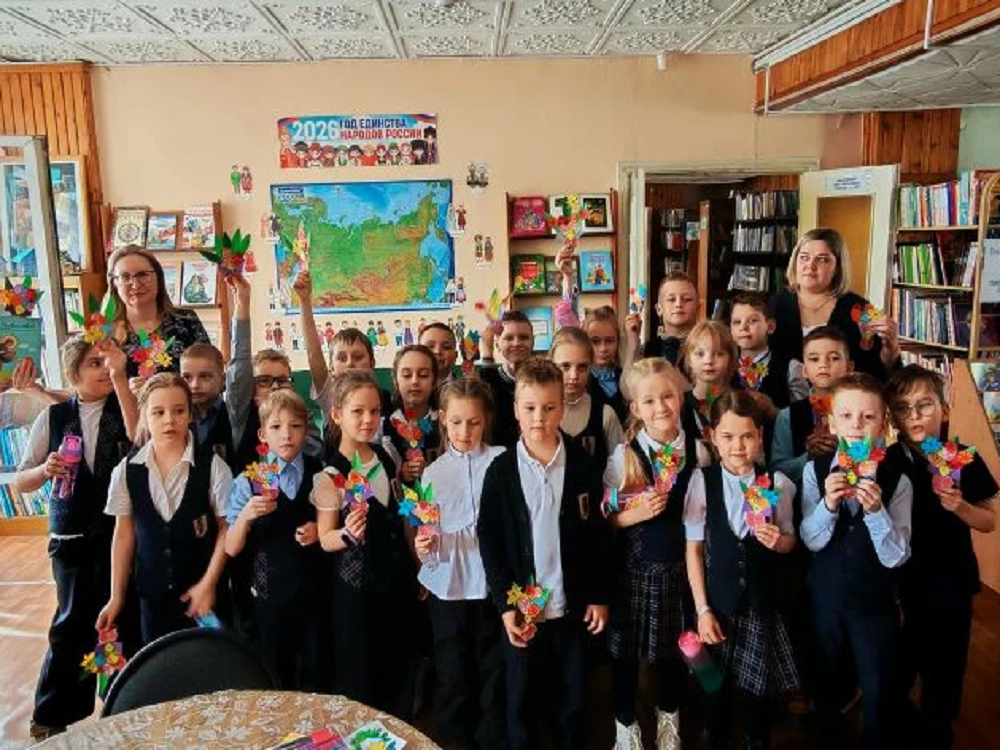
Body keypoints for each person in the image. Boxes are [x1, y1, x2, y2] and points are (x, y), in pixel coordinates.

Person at [477, 358, 611, 750]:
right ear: (515, 409)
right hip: (523, 608)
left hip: (571, 608)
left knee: (572, 696)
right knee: (521, 697)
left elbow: (599, 535)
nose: (539, 417)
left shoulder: (583, 464)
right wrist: (506, 605)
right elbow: (490, 541)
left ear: (562, 408)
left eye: (549, 407)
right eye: (530, 407)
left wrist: (599, 594)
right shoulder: (501, 471)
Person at [14, 337, 137, 741]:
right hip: (71, 536)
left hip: (120, 533)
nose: (103, 369)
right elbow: (21, 481)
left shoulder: (126, 405)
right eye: (93, 364)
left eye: (107, 361)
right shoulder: (53, 417)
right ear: (73, 373)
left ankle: (123, 706)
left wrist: (121, 377)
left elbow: (139, 437)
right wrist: (44, 470)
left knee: (123, 621)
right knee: (71, 623)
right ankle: (51, 713)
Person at [887, 366, 998, 749]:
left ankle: (938, 727)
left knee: (947, 664)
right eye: (904, 408)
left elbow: (989, 521)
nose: (915, 415)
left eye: (924, 405)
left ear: (945, 409)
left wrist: (961, 507)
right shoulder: (887, 460)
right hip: (904, 581)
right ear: (894, 417)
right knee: (902, 659)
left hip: (952, 580)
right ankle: (901, 717)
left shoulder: (965, 458)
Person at [800, 373, 912, 749]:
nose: (857, 425)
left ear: (884, 424)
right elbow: (810, 540)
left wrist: (877, 511)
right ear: (832, 422)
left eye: (868, 417)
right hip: (826, 600)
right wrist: (828, 504)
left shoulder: (899, 481)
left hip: (874, 603)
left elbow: (897, 557)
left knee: (878, 685)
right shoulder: (815, 470)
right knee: (825, 680)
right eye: (847, 416)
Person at [603, 358, 709, 750]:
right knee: (626, 657)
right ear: (635, 408)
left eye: (668, 396)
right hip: (634, 572)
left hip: (680, 571)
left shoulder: (699, 453)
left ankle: (669, 721)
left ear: (680, 397)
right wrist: (635, 513)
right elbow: (606, 515)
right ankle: (625, 728)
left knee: (674, 654)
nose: (661, 407)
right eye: (649, 401)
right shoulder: (624, 456)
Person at [684, 391, 799, 750]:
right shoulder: (702, 481)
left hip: (759, 604)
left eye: (747, 436)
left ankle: (756, 738)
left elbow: (790, 540)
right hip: (717, 605)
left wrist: (778, 541)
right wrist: (702, 610)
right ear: (713, 437)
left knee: (757, 687)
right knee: (712, 681)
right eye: (728, 436)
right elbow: (694, 549)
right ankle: (715, 734)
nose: (738, 446)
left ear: (760, 436)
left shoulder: (776, 483)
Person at [97, 374, 232, 645]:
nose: (169, 420)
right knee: (160, 666)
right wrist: (116, 596)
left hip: (203, 597)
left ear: (190, 414)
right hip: (152, 599)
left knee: (208, 664)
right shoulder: (126, 471)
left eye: (178, 411)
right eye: (158, 412)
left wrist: (208, 584)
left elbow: (225, 529)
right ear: (144, 416)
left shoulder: (214, 466)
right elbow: (123, 536)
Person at [312, 372, 416, 717]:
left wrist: (417, 564)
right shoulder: (331, 474)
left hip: (396, 580)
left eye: (374, 411)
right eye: (358, 411)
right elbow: (325, 538)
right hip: (357, 591)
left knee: (398, 666)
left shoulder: (385, 457)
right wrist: (346, 534)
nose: (368, 419)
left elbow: (397, 515)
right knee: (360, 675)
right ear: (337, 414)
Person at [416, 378, 507, 750]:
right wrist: (425, 548)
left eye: (473, 422)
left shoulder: (503, 461)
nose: (464, 431)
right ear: (442, 420)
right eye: (456, 422)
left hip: (492, 586)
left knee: (493, 667)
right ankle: (455, 740)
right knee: (452, 669)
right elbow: (427, 532)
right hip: (448, 588)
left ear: (486, 420)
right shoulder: (433, 472)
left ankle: (491, 739)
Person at [225, 390, 327, 690]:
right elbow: (231, 547)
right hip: (268, 596)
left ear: (306, 430)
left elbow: (334, 523)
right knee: (274, 673)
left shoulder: (321, 473)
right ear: (262, 434)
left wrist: (319, 530)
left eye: (295, 426)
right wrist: (246, 515)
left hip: (313, 593)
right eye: (276, 427)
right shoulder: (249, 480)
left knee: (316, 670)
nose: (286, 435)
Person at [770, 228, 900, 380]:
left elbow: (880, 374)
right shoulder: (773, 305)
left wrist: (891, 349)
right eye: (804, 257)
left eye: (822, 259)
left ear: (838, 267)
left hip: (844, 393)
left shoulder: (861, 308)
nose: (810, 265)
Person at [106, 246, 209, 382]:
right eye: (125, 277)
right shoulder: (104, 332)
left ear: (159, 278)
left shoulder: (187, 320)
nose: (135, 285)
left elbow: (209, 373)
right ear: (114, 283)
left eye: (143, 275)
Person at [770, 326, 851, 488]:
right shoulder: (788, 416)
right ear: (804, 370)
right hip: (803, 498)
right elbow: (778, 470)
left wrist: (843, 450)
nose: (824, 365)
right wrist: (808, 457)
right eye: (814, 359)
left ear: (849, 368)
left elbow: (878, 454)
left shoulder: (863, 410)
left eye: (834, 358)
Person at [548, 327, 624, 470]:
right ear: (551, 364)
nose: (574, 376)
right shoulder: (539, 414)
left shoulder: (605, 415)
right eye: (565, 366)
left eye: (582, 367)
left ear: (591, 367)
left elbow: (621, 470)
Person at [729, 292, 806, 409]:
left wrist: (774, 411)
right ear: (730, 329)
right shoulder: (725, 367)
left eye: (753, 320)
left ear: (770, 327)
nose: (743, 327)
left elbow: (803, 415)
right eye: (737, 322)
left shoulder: (791, 368)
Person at [382, 345, 441, 485]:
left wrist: (431, 471)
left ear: (434, 381)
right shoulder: (384, 423)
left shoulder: (446, 421)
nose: (415, 381)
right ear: (395, 380)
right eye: (407, 375)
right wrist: (399, 474)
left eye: (423, 375)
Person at [479, 311, 534, 448]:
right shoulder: (487, 380)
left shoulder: (541, 380)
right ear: (497, 344)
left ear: (533, 342)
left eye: (524, 337)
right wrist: (487, 350)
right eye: (509, 338)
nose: (516, 343)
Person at [679, 320, 737, 449]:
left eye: (719, 354)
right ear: (689, 359)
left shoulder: (742, 401)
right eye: (700, 354)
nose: (709, 361)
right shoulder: (679, 405)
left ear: (730, 359)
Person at [625, 272, 699, 368]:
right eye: (671, 299)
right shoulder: (647, 350)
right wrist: (633, 343)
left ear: (698, 308)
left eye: (687, 299)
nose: (678, 304)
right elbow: (629, 378)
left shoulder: (708, 344)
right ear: (659, 309)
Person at [585, 305, 629, 426]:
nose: (603, 348)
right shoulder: (580, 378)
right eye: (595, 341)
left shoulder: (623, 374)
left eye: (609, 341)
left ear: (617, 341)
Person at [419, 322, 459, 387]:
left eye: (446, 347)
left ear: (455, 356)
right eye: (430, 346)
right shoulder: (405, 390)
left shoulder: (470, 390)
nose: (437, 351)